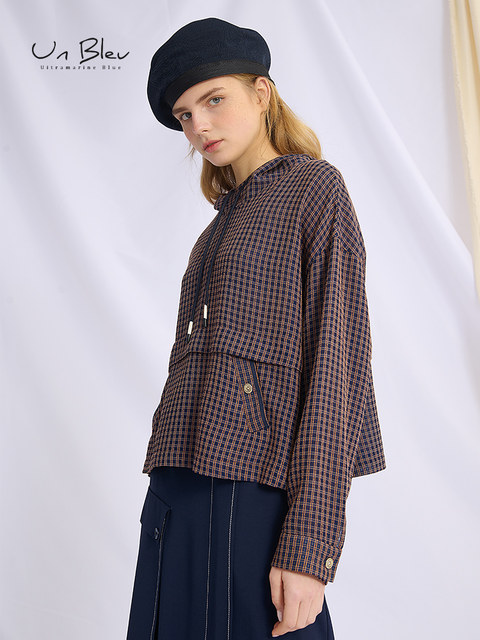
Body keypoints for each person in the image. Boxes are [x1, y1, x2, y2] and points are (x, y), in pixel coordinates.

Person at [126, 17, 386, 640]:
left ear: (261, 92)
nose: (199, 126)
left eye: (214, 99)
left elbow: (338, 369)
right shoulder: (216, 227)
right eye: (185, 115)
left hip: (251, 494)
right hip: (175, 494)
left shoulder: (313, 190)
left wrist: (311, 545)